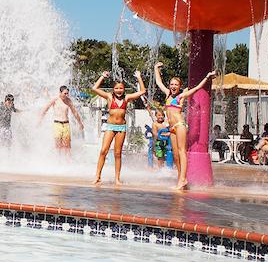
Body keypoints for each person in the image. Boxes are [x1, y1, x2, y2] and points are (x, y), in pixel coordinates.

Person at [153, 62, 217, 190]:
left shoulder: (181, 96)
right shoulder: (167, 94)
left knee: (182, 151)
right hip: (171, 128)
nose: (173, 86)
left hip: (180, 125)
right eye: (171, 84)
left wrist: (207, 76)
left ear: (179, 86)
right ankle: (182, 179)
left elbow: (197, 88)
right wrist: (156, 69)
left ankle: (182, 179)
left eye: (176, 84)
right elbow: (159, 83)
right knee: (175, 155)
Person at [90, 70, 146, 185]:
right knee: (103, 151)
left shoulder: (127, 98)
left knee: (117, 153)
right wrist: (102, 76)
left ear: (123, 89)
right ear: (113, 89)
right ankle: (97, 176)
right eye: (116, 88)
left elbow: (143, 91)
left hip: (121, 128)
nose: (119, 90)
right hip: (110, 127)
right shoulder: (109, 97)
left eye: (121, 88)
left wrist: (139, 77)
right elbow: (94, 88)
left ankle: (117, 178)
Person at [39, 85, 84, 156]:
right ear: (60, 92)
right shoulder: (55, 100)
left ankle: (68, 161)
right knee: (58, 145)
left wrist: (80, 123)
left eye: (67, 93)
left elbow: (75, 112)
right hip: (57, 124)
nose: (66, 95)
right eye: (65, 93)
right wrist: (40, 120)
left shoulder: (68, 101)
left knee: (67, 146)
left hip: (66, 124)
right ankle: (58, 161)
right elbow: (45, 109)